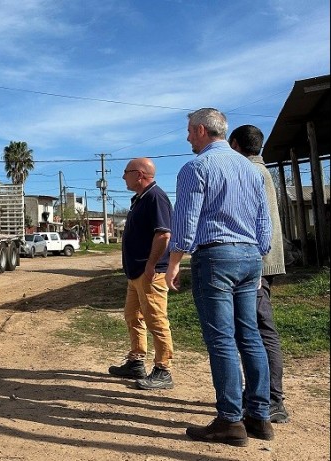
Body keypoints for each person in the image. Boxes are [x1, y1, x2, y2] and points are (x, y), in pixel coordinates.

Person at [165, 108, 273, 446]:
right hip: (251, 254)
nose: (186, 138)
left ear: (199, 130)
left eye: (188, 131)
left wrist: (173, 262)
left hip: (216, 256)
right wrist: (257, 255)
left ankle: (229, 420)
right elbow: (264, 222)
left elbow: (185, 222)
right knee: (250, 336)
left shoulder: (196, 168)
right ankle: (259, 415)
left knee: (222, 339)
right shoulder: (251, 168)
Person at [229, 124, 289, 423]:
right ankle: (263, 395)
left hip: (258, 265)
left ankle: (271, 399)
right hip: (263, 263)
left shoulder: (252, 172)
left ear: (236, 144)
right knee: (257, 330)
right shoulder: (261, 171)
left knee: (260, 332)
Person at [108, 157, 175, 390]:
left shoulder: (156, 197)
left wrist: (151, 265)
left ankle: (163, 370)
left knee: (156, 319)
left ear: (139, 174)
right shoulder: (140, 199)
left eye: (126, 172)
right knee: (133, 316)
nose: (123, 176)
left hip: (150, 274)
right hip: (135, 273)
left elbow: (164, 235)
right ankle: (136, 362)